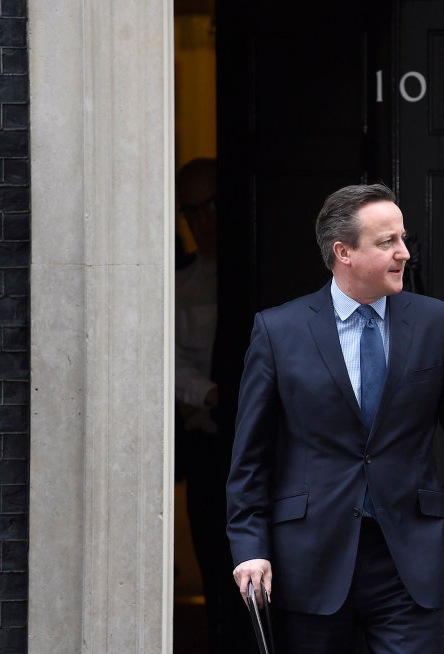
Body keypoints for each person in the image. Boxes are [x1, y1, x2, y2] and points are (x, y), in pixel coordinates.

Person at [226, 183, 444, 653]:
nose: (404, 253)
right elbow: (249, 457)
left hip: (407, 560)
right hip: (309, 561)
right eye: (387, 243)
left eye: (403, 239)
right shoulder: (278, 331)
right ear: (344, 252)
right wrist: (249, 547)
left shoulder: (437, 324)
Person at [174, 158, 254, 654]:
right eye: (191, 211)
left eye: (213, 205)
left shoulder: (264, 266)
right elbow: (160, 359)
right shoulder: (179, 281)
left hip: (269, 447)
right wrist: (208, 393)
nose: (204, 219)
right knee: (216, 567)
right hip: (208, 445)